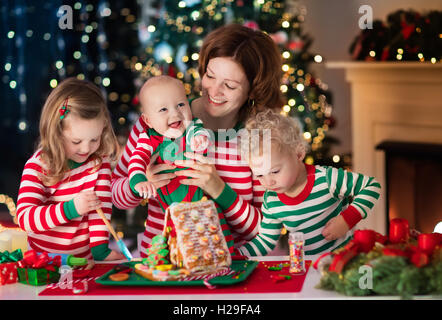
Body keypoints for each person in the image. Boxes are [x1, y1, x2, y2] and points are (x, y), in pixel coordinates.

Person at [112, 23, 285, 257]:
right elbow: (115, 195)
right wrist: (142, 183)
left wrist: (219, 188)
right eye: (209, 76)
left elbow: (264, 231)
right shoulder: (157, 119)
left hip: (229, 269)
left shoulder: (259, 138)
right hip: (161, 265)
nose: (214, 91)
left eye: (230, 85)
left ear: (253, 90)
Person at [236, 110, 382, 256]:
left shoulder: (326, 178)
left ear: (298, 154)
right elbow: (265, 241)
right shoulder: (272, 201)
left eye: (275, 171)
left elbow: (371, 186)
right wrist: (236, 255)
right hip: (310, 270)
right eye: (260, 175)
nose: (268, 182)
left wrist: (347, 220)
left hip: (346, 260)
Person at [16, 77, 125, 262]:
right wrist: (70, 209)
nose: (86, 149)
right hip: (45, 261)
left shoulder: (99, 163)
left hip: (84, 261)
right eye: (76, 141)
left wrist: (100, 251)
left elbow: (101, 209)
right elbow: (26, 219)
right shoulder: (38, 166)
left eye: (94, 139)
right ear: (56, 133)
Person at [128, 75, 211, 209]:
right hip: (170, 207)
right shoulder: (149, 138)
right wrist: (139, 181)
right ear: (148, 120)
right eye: (163, 109)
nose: (175, 114)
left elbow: (200, 132)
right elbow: (137, 159)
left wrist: (200, 139)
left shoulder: (190, 127)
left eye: (180, 105)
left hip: (201, 202)